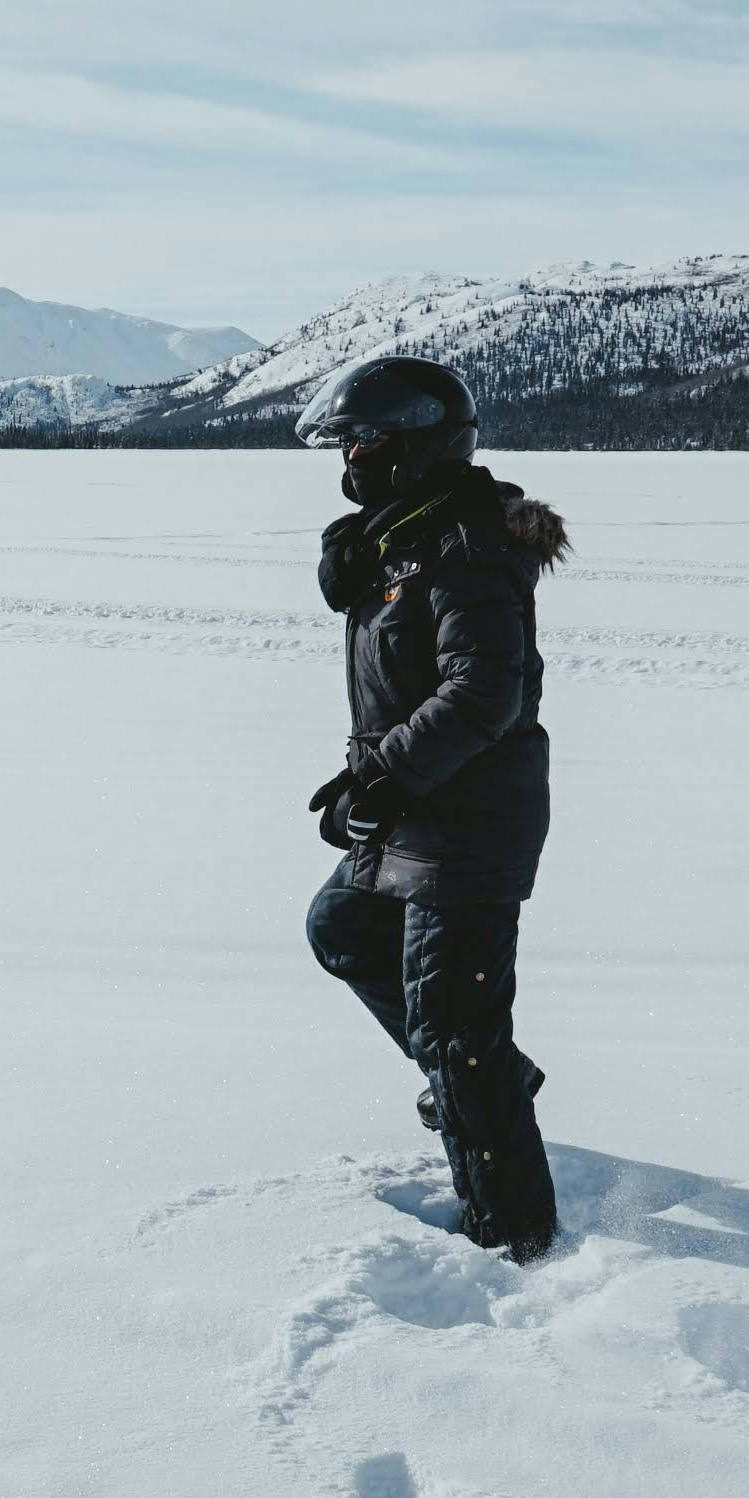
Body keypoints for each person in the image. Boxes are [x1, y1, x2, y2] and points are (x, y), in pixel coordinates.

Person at [297, 356, 571, 1262]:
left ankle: (514, 1238)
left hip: (467, 819)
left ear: (417, 443)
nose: (351, 455)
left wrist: (384, 779)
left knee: (456, 1028)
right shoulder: (402, 539)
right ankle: (484, 1076)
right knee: (342, 927)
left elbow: (482, 690)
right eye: (345, 440)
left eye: (365, 439)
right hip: (419, 804)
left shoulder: (465, 547)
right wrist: (370, 776)